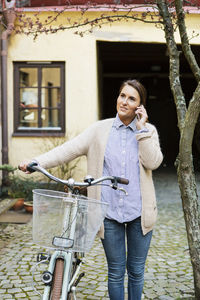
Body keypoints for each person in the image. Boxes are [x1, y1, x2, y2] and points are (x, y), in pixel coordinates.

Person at [19, 79, 163, 300]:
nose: (124, 101)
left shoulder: (148, 131)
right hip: (108, 212)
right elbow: (68, 149)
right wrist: (37, 162)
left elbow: (153, 162)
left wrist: (142, 129)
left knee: (135, 272)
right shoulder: (99, 130)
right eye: (122, 95)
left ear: (140, 106)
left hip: (139, 212)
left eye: (132, 98)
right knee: (115, 273)